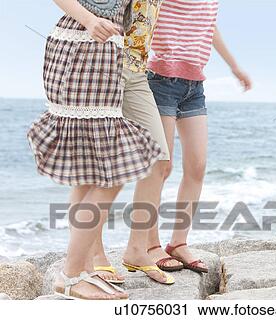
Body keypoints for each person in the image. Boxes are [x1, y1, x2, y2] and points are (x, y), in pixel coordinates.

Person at [27, 0, 162, 300]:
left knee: (89, 172)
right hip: (81, 45)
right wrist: (89, 20)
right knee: (111, 173)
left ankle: (79, 271)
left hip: (104, 52)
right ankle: (73, 273)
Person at [141, 0, 252, 273]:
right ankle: (150, 245)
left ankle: (178, 242)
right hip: (160, 79)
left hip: (194, 86)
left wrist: (234, 67)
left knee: (197, 166)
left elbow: (209, 26)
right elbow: (141, 14)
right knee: (161, 167)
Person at [90, 0, 175, 286]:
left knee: (159, 160)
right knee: (102, 163)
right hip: (103, 63)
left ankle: (137, 250)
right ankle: (93, 252)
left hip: (137, 69)